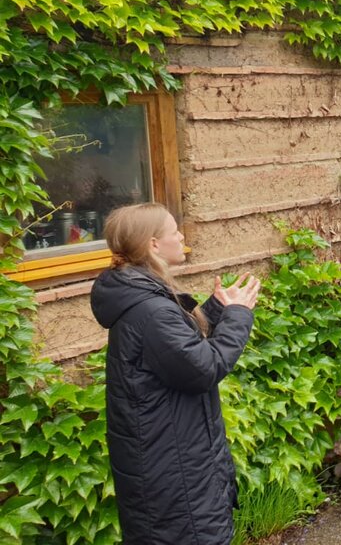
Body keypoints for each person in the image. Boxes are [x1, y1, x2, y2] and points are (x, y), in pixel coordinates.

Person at [89, 203, 261, 544]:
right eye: (174, 231)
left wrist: (216, 309)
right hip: (175, 474)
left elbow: (175, 350)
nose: (182, 235)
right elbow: (203, 368)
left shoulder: (141, 294)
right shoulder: (150, 309)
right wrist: (239, 315)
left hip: (169, 460)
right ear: (153, 244)